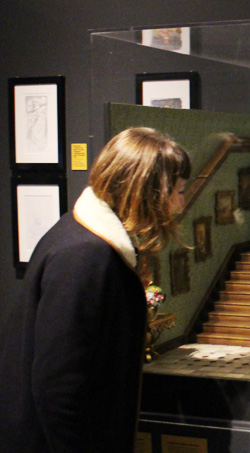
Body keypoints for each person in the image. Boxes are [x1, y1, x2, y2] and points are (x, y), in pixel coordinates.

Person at [0, 127, 191, 452]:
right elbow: (59, 385)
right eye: (180, 191)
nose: (181, 203)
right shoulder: (86, 255)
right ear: (149, 191)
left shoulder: (79, 235)